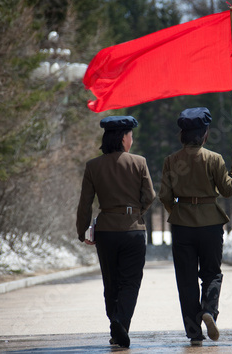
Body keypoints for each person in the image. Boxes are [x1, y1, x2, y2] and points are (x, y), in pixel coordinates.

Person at [159, 107, 232, 347]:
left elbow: (165, 195)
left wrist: (177, 213)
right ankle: (209, 310)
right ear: (205, 134)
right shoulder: (214, 159)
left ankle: (193, 331)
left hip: (182, 225)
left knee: (186, 280)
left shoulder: (171, 161)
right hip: (210, 223)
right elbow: (228, 189)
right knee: (212, 273)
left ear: (183, 135)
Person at [76, 116, 156, 348]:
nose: (132, 139)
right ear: (123, 137)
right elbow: (149, 196)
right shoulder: (139, 162)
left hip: (106, 231)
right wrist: (136, 212)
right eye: (130, 135)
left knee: (111, 282)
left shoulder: (93, 166)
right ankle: (120, 322)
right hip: (133, 231)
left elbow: (85, 203)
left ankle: (116, 326)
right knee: (130, 282)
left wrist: (82, 232)